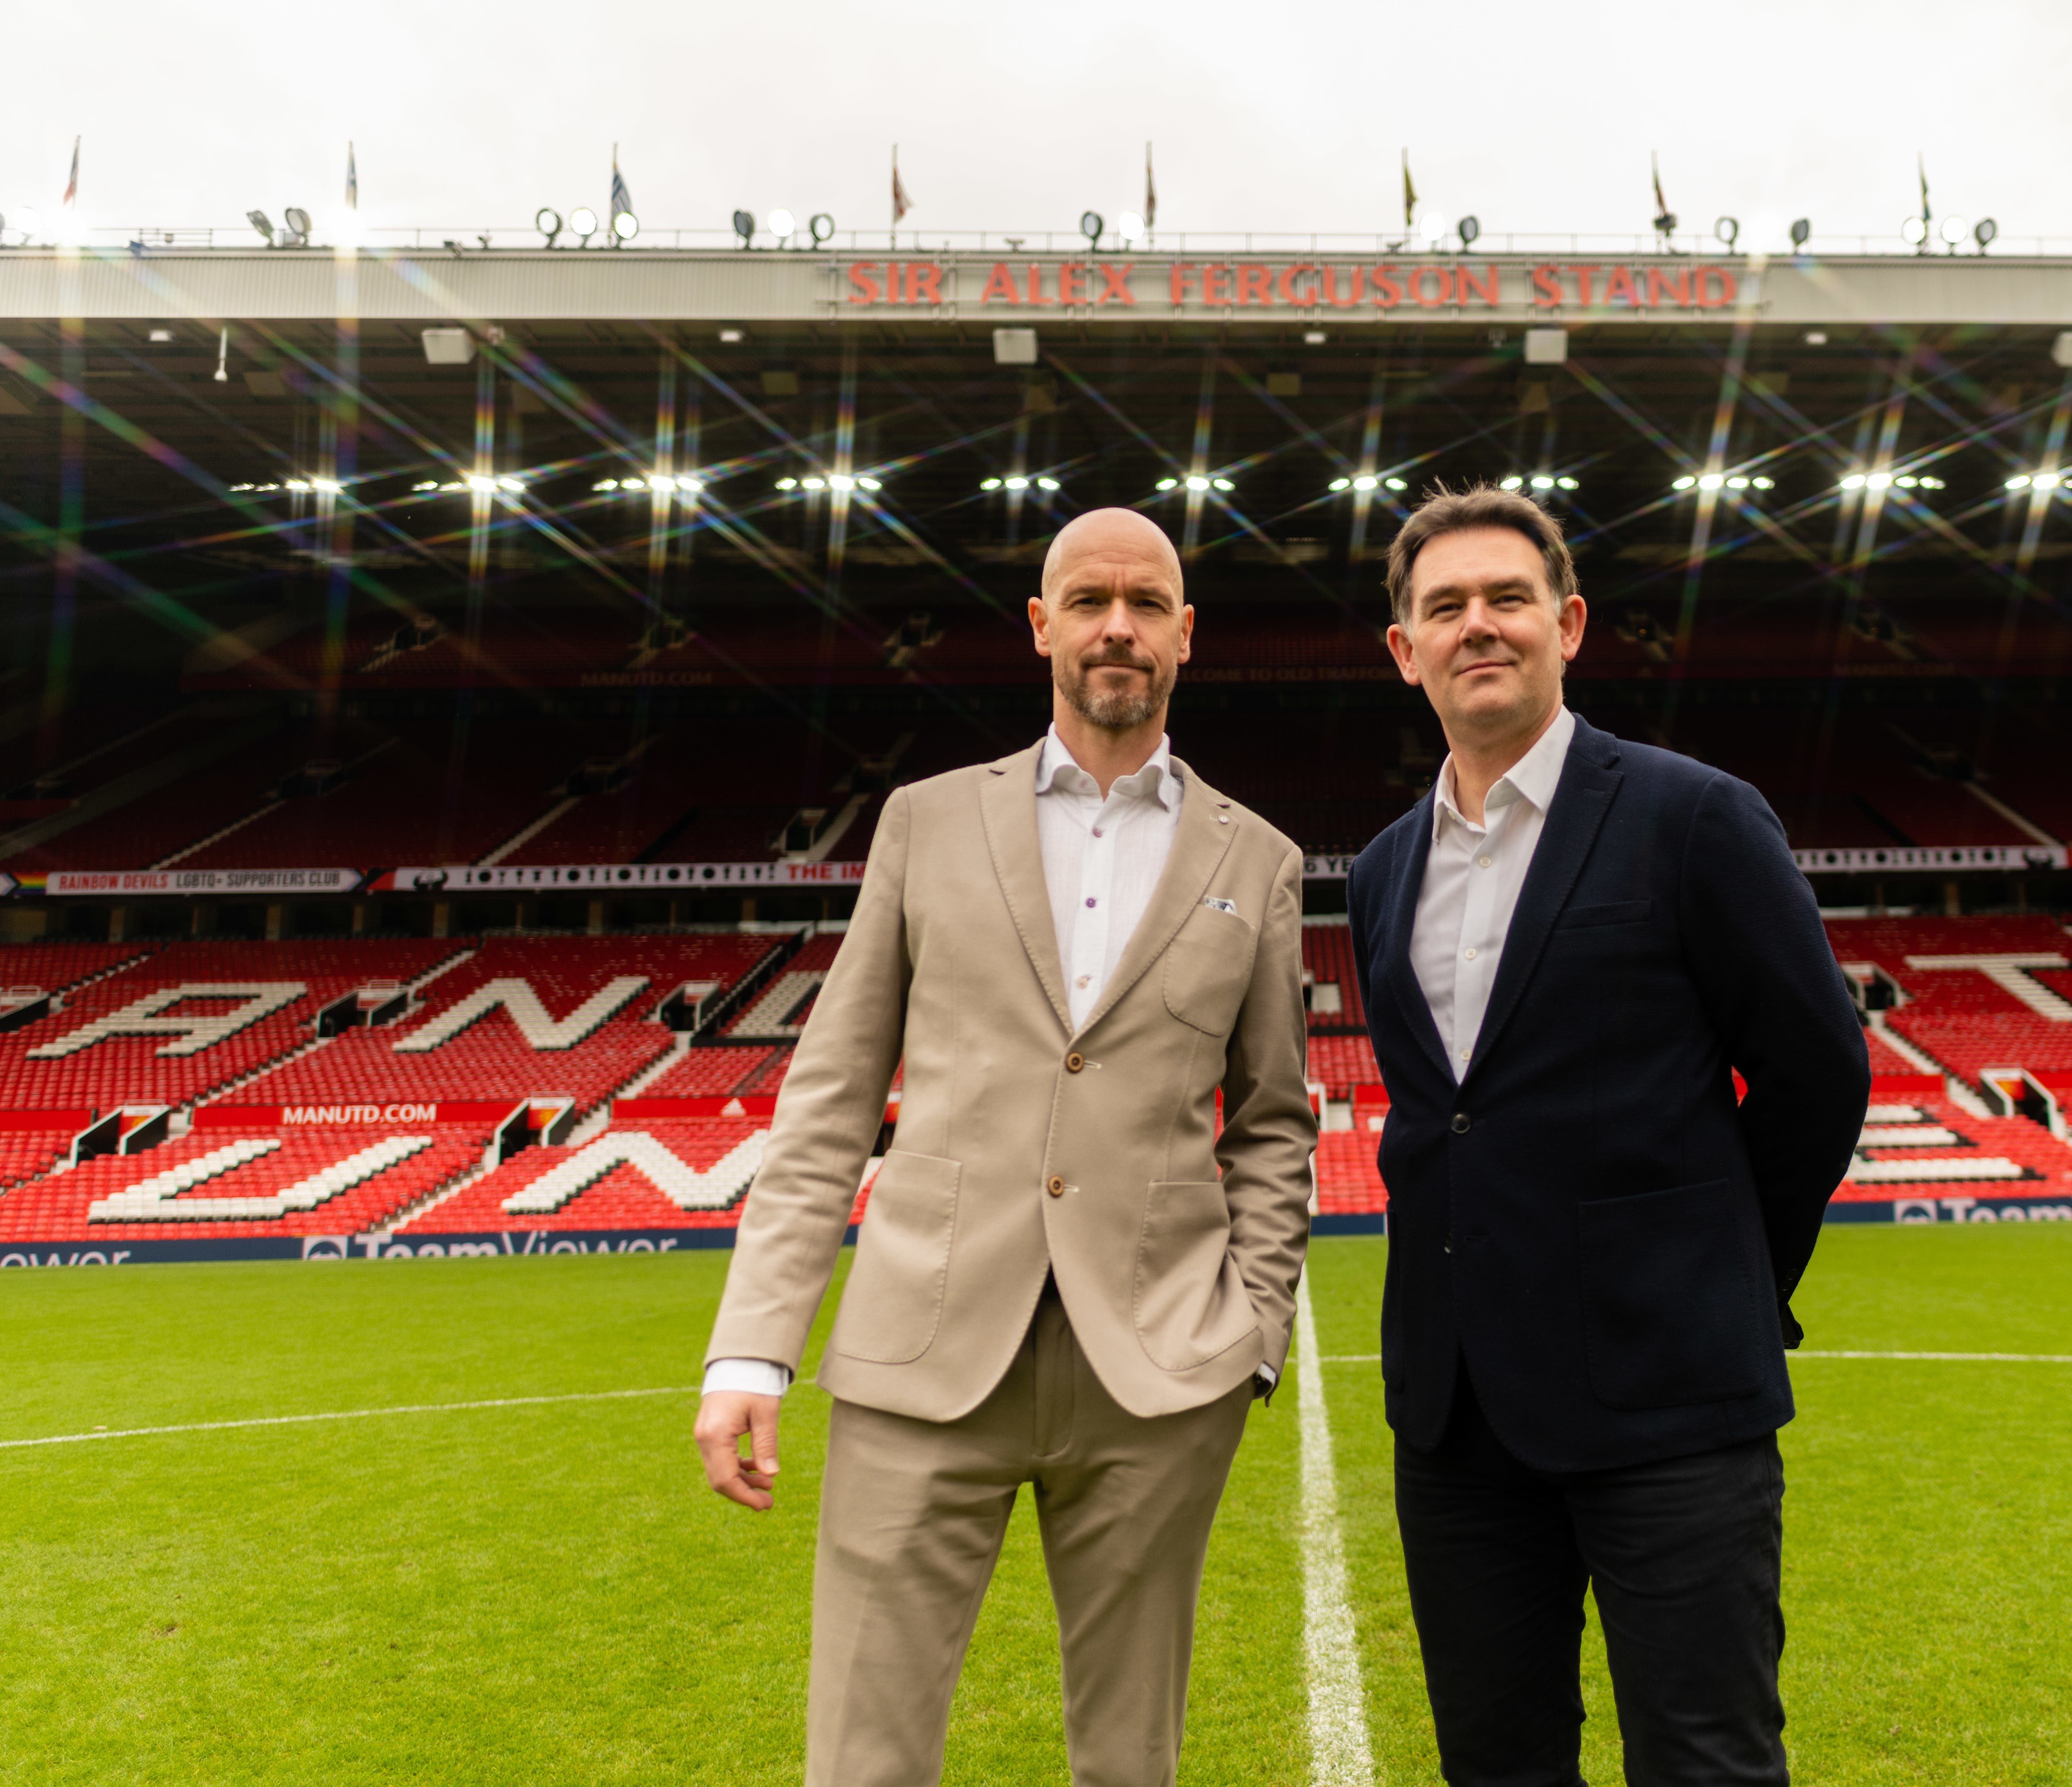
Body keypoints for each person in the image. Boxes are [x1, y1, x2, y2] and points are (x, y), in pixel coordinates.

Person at [694, 506, 1316, 1787]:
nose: (1118, 629)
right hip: (919, 1356)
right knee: (864, 1759)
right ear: (1040, 626)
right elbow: (828, 1099)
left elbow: (1270, 1123)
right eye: (1090, 601)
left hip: (1155, 1379)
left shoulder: (1257, 859)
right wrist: (754, 1344)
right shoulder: (925, 823)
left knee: (1129, 1763)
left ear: (1186, 637)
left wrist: (1255, 1339)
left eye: (1147, 605)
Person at [1346, 484, 1870, 1786]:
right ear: (1403, 652)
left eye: (1508, 599)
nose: (1481, 626)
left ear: (1569, 625)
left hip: (1673, 1408)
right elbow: (1449, 1120)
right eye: (1445, 607)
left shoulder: (1693, 816)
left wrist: (1726, 1286)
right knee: (1496, 1761)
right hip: (1457, 1421)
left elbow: (1817, 1075)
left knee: (1705, 1761)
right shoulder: (1377, 870)